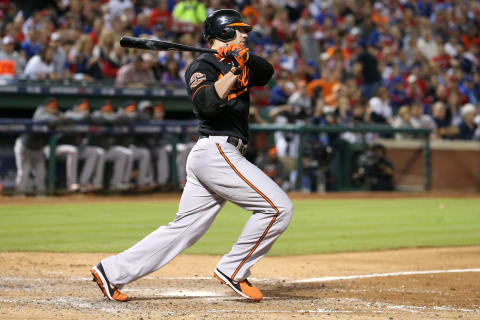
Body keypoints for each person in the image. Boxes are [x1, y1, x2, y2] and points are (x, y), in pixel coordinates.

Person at [91, 9, 293, 302]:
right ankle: (234, 269)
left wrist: (243, 59)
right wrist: (233, 71)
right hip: (216, 150)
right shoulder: (201, 66)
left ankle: (111, 271)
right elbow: (208, 104)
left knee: (185, 229)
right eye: (239, 30)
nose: (245, 35)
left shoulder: (238, 60)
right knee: (278, 208)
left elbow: (267, 73)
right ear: (223, 33)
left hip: (218, 155)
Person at [14, 98, 61, 196]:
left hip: (38, 148)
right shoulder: (40, 112)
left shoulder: (56, 114)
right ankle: (18, 196)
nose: (53, 108)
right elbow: (41, 118)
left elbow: (65, 119)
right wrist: (56, 118)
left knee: (41, 173)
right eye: (51, 106)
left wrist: (57, 118)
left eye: (55, 107)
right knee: (23, 172)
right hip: (24, 146)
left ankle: (41, 196)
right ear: (46, 106)